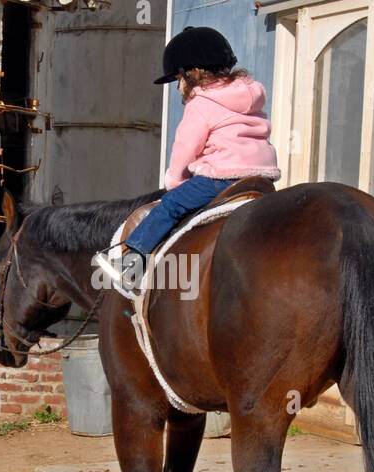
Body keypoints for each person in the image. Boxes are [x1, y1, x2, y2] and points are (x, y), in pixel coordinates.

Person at [94, 26, 281, 298]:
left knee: (169, 206)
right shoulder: (250, 96)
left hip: (221, 177)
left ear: (191, 73)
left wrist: (176, 182)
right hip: (261, 179)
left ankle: (131, 263)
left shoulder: (201, 103)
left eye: (177, 79)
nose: (178, 87)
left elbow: (185, 149)